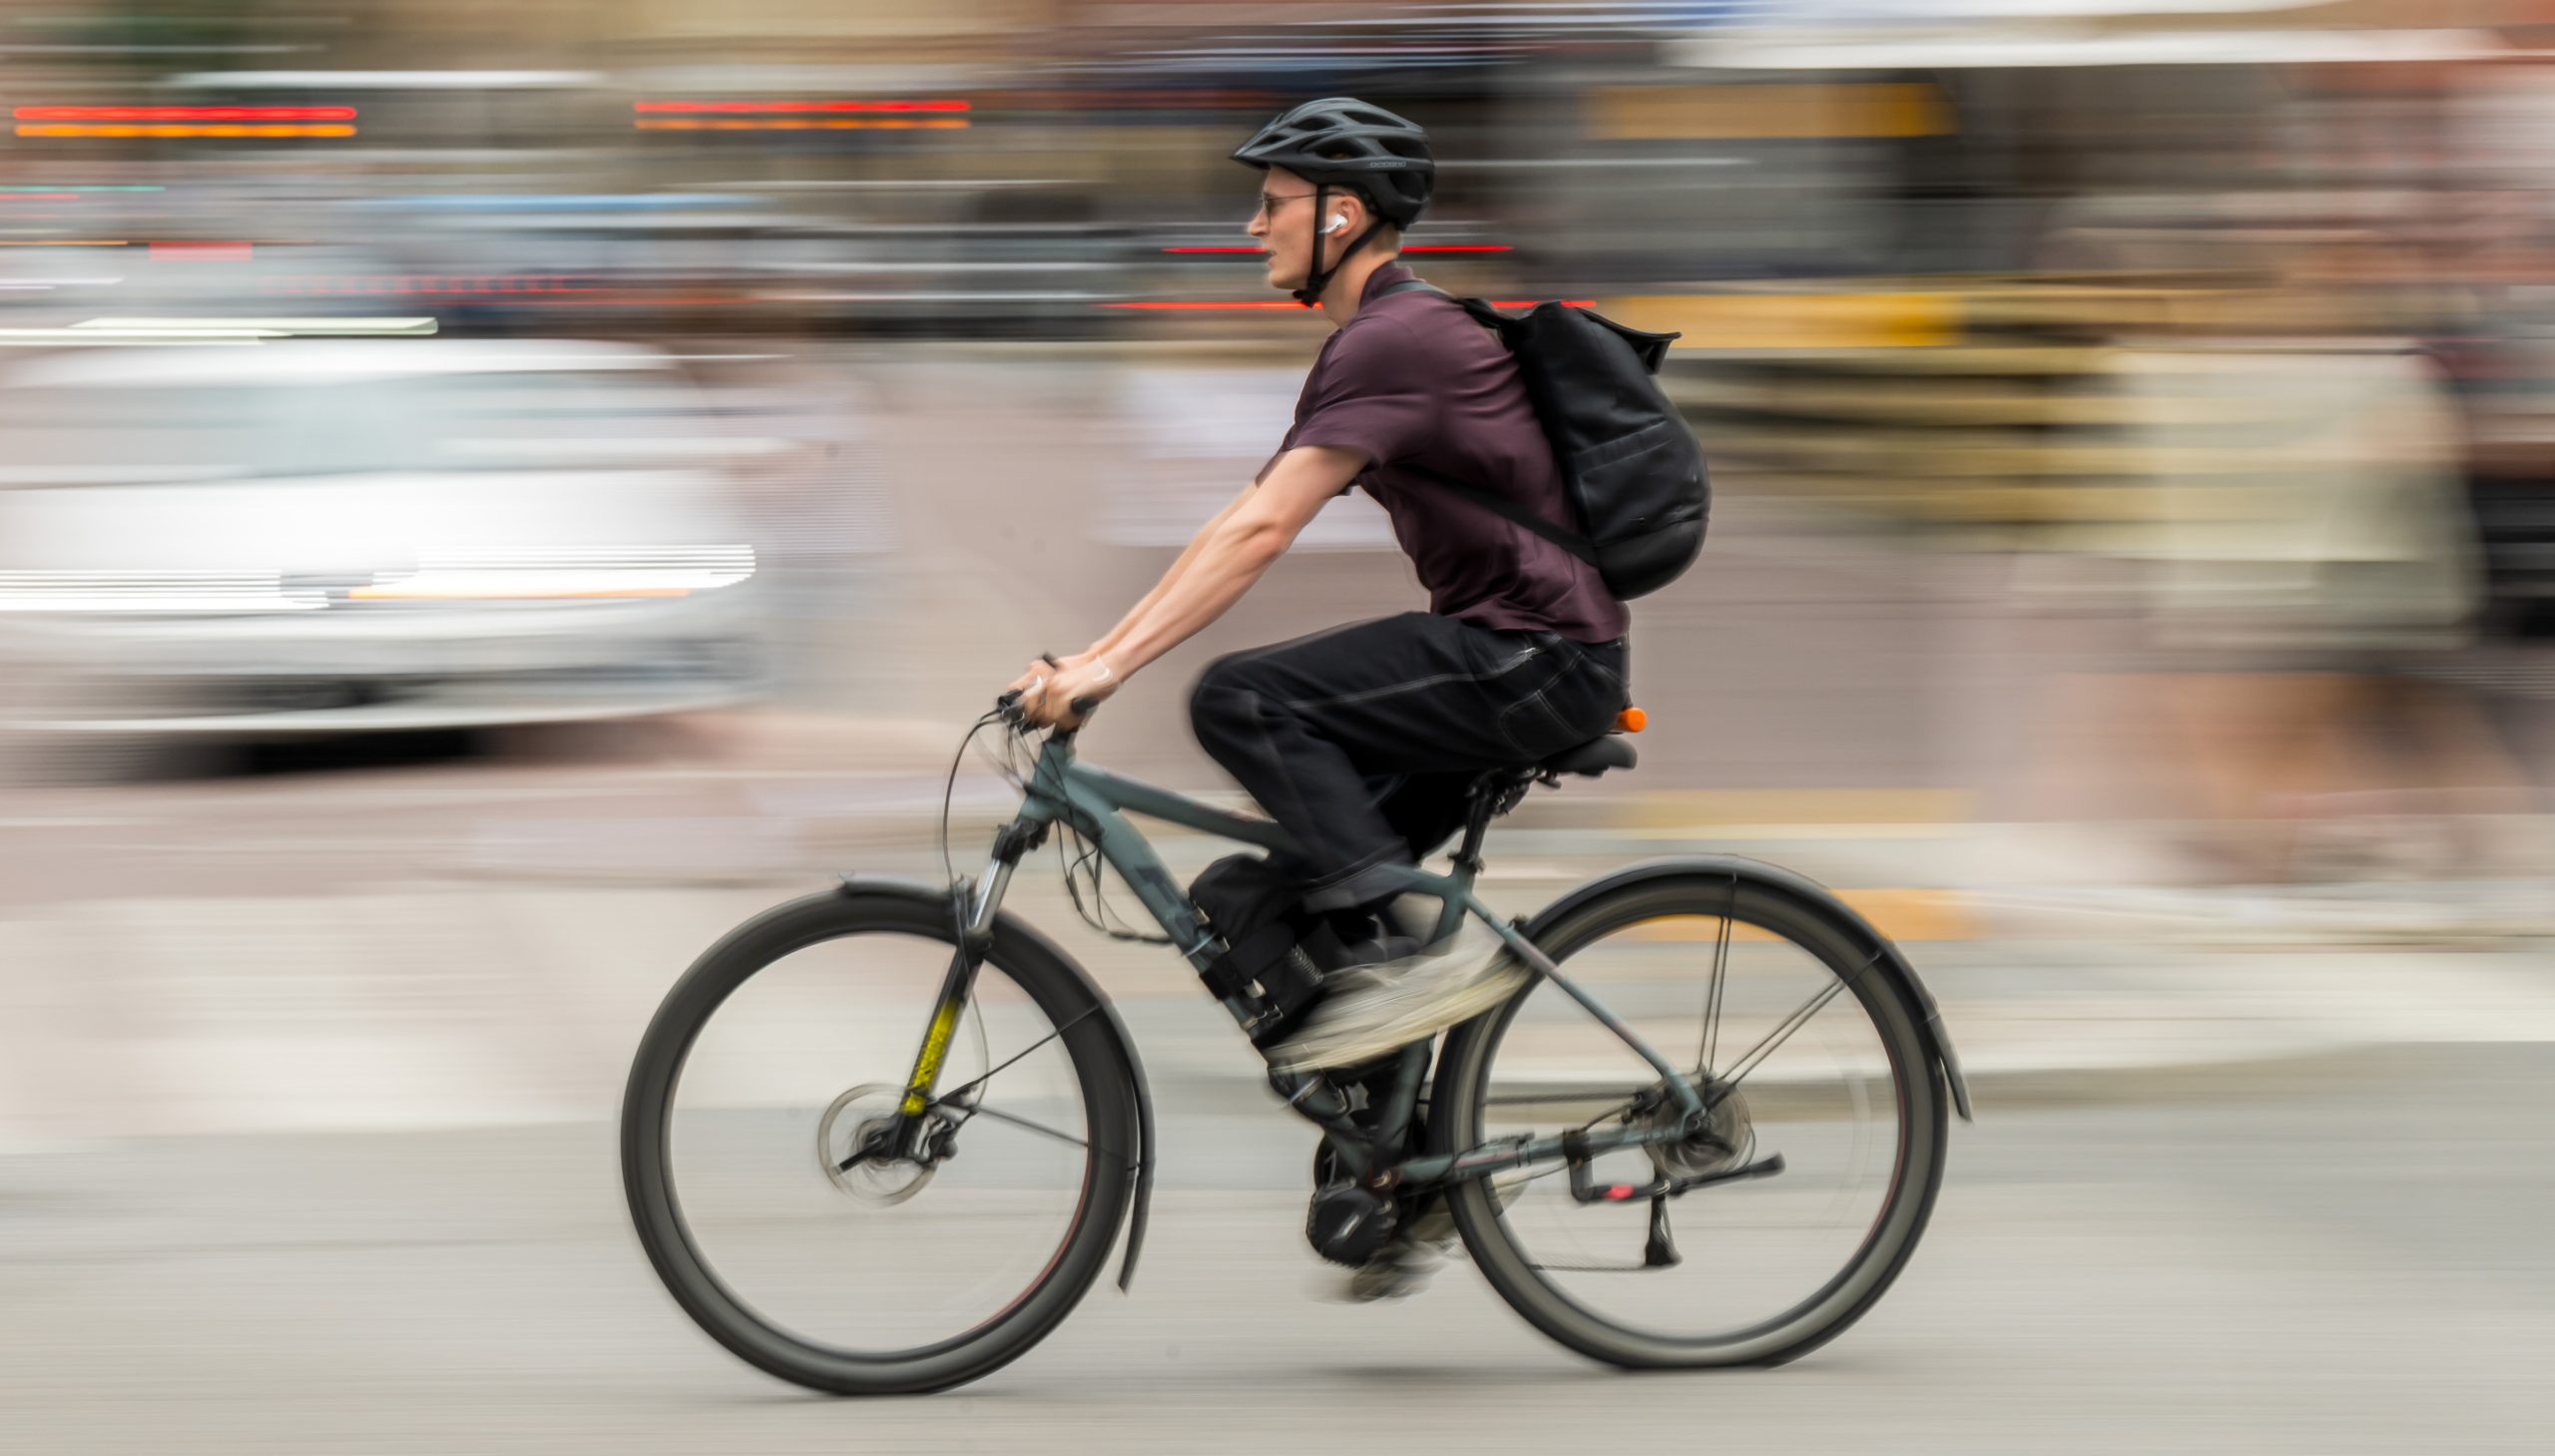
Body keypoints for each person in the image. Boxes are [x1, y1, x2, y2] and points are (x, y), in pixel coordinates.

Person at [1008, 95, 1629, 1073]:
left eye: (1274, 201)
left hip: (1530, 655)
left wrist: (1110, 667)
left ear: (1340, 214)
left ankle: (1410, 966)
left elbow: (1260, 533)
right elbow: (1234, 521)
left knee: (1240, 698)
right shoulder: (1382, 341)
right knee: (1254, 900)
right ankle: (1395, 1165)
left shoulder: (1397, 340)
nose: (1255, 225)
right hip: (1520, 657)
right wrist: (1095, 657)